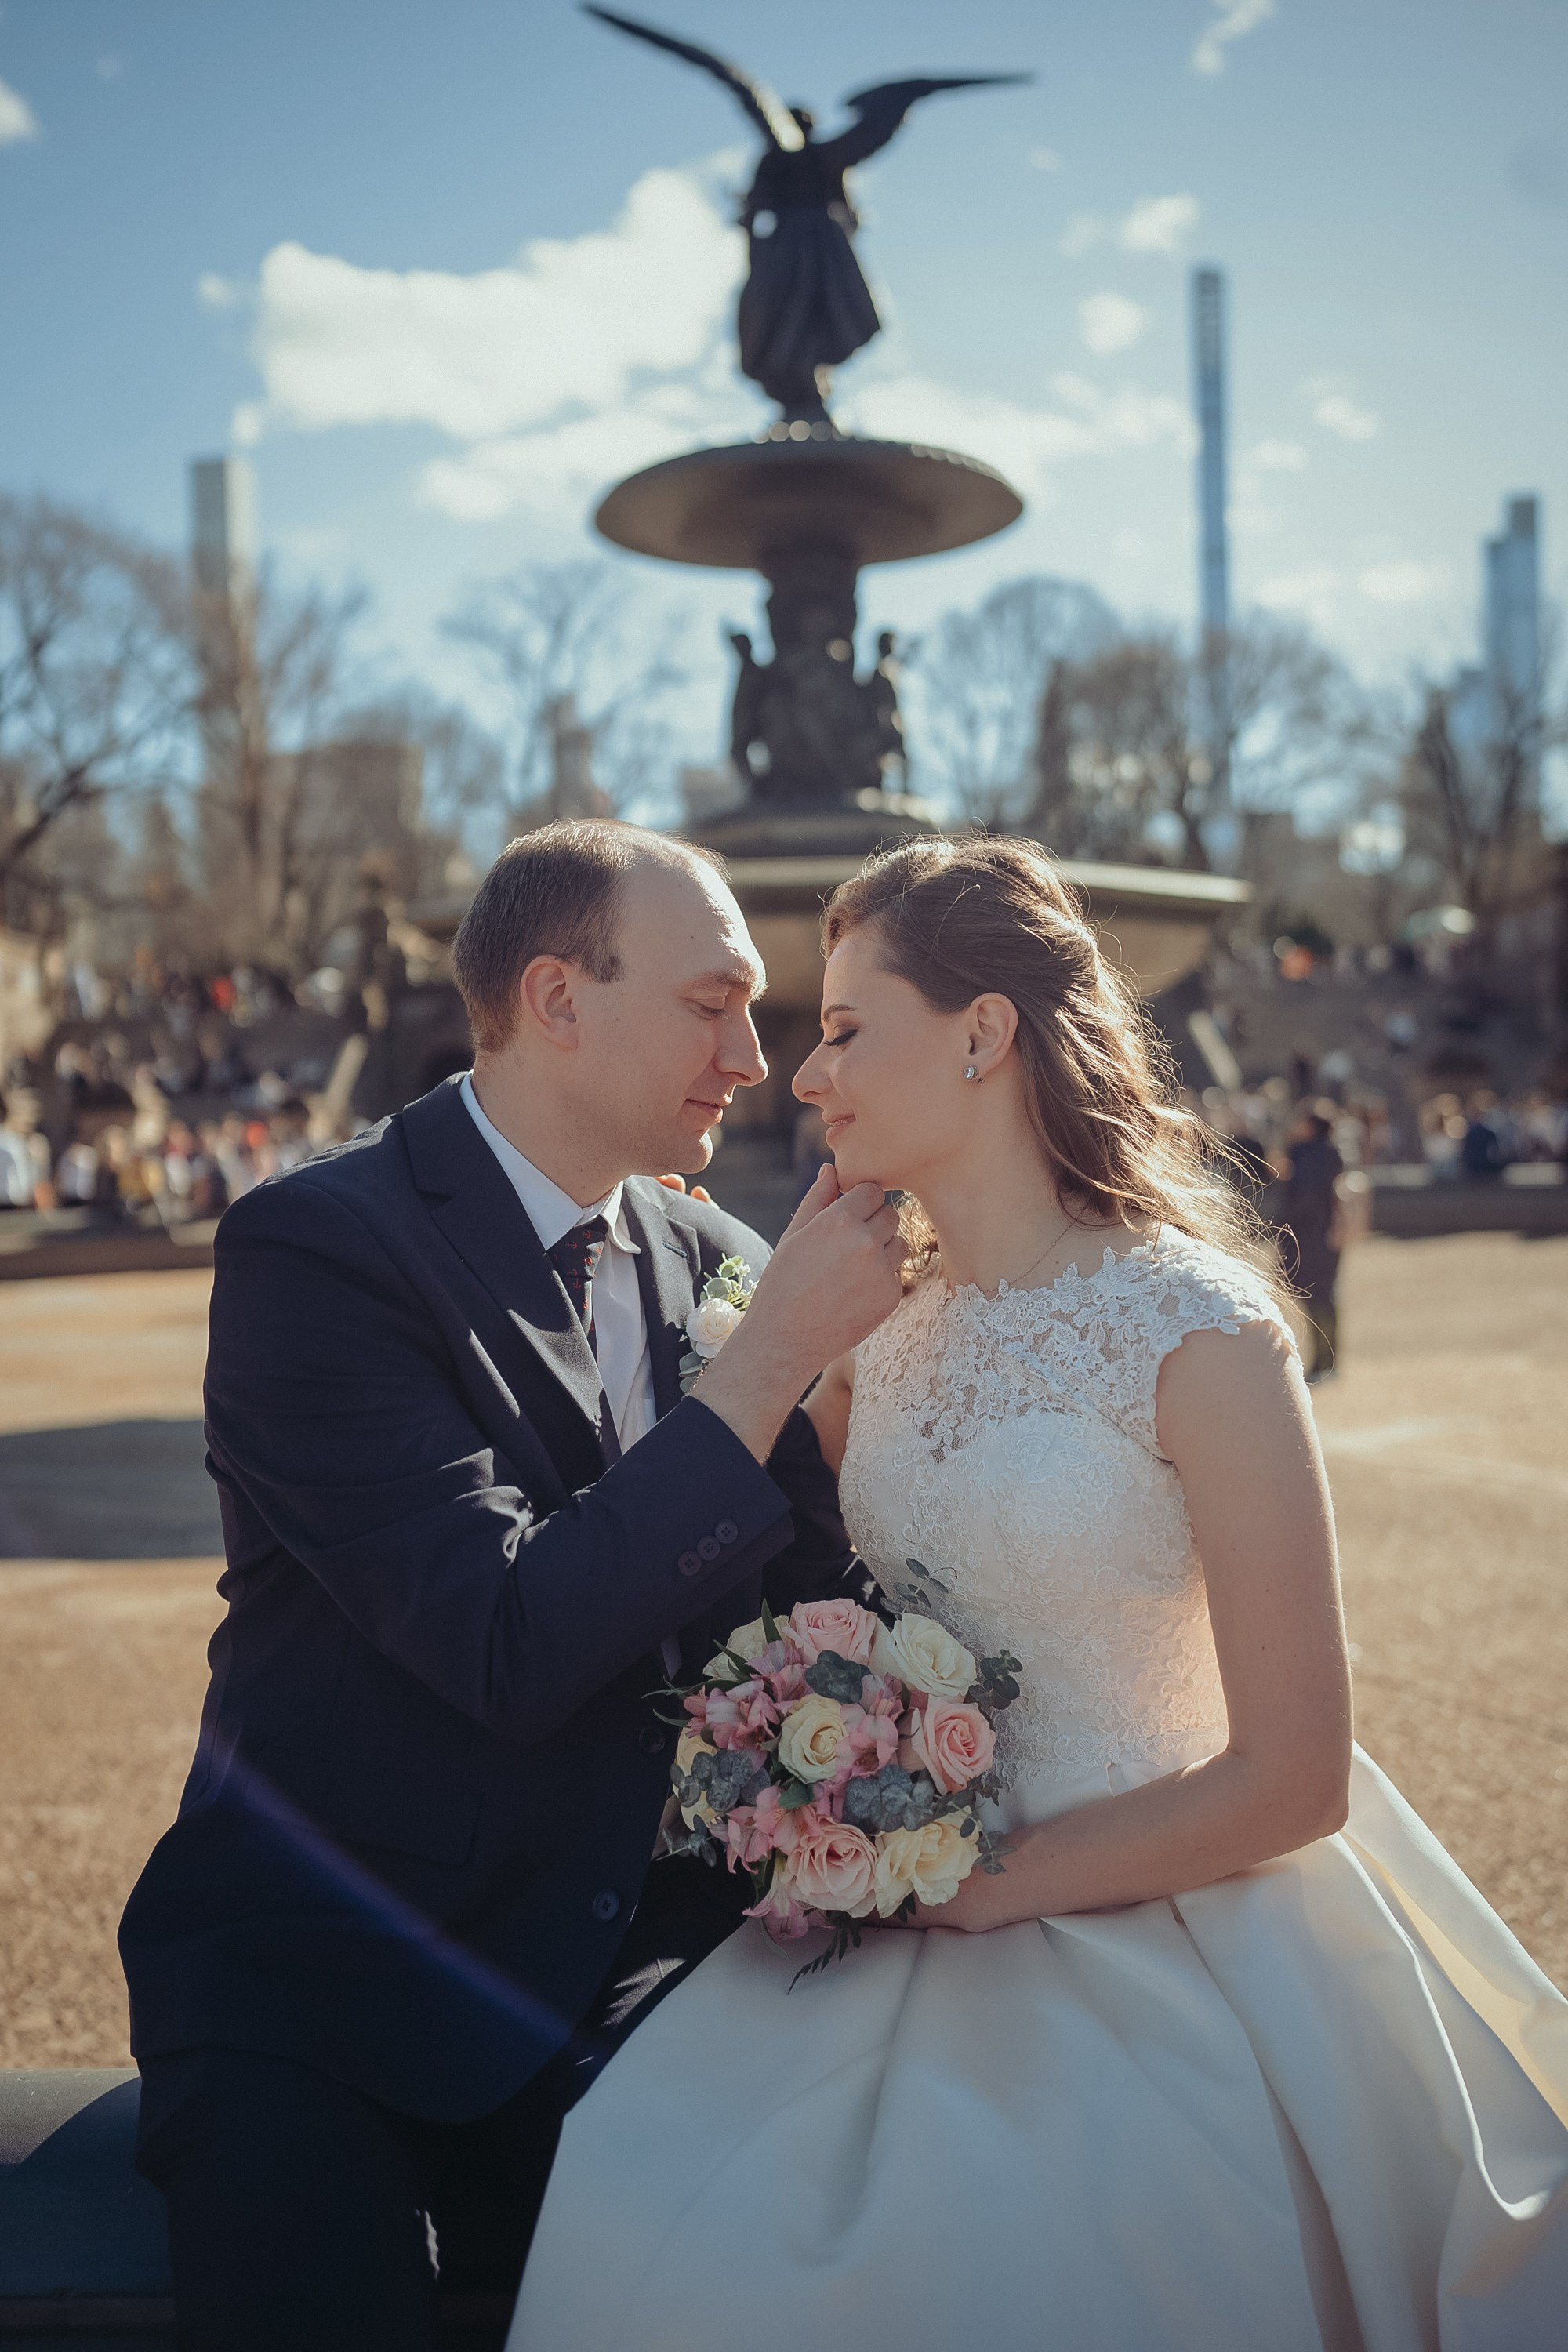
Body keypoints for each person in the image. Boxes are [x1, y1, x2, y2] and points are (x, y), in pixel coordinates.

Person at [514, 837, 1568, 2352]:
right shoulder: (871, 1329)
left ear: (985, 1035)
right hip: (896, 1908)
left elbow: (1300, 1772)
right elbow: (751, 1597)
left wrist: (987, 1889)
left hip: (1176, 1917)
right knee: (652, 2188)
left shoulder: (1201, 1334)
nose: (807, 1078)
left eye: (849, 1030)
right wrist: (819, 1798)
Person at [118, 821, 907, 2350]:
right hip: (327, 1991)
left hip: (641, 1966)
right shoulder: (315, 1250)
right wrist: (759, 1372)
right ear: (554, 998)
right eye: (712, 1002)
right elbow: (501, 1641)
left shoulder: (720, 1253)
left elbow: (800, 1611)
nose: (755, 1055)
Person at [1276, 1101, 1344, 1381]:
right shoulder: (1331, 1151)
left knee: (1316, 1297)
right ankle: (1328, 1359)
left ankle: (1323, 1361)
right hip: (1326, 1234)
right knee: (1324, 1297)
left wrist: (1280, 1221)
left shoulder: (1307, 1154)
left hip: (1307, 1236)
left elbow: (1305, 1198)